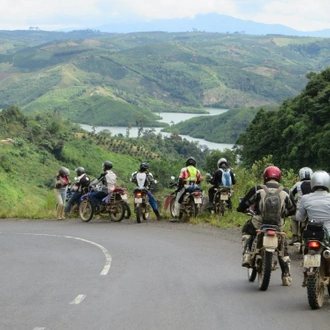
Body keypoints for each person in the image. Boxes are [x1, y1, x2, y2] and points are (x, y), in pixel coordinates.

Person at [237, 165, 296, 286]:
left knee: (247, 230)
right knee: (282, 248)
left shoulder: (258, 189)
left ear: (265, 176)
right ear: (279, 177)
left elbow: (244, 204)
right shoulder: (286, 191)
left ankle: (247, 255)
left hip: (259, 223)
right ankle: (286, 275)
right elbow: (293, 210)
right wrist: (283, 214)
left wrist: (241, 208)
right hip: (278, 225)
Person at [289, 167, 313, 245]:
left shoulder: (298, 184)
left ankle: (295, 236)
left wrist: (293, 202)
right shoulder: (314, 184)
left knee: (293, 218)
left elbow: (290, 194)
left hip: (300, 208)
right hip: (312, 208)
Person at [172, 156, 201, 220]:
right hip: (195, 187)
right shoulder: (197, 171)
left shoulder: (184, 169)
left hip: (186, 186)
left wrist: (179, 187)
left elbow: (181, 179)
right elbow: (199, 180)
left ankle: (176, 216)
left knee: (177, 201)